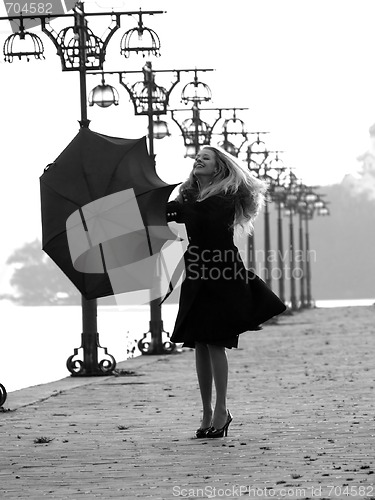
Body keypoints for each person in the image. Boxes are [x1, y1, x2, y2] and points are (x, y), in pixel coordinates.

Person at [166, 146, 286, 438]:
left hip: (222, 271)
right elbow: (170, 215)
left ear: (219, 167)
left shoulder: (225, 197)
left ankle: (221, 410)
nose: (198, 160)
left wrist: (177, 205)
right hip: (196, 272)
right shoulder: (189, 197)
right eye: (197, 158)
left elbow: (201, 214)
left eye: (205, 158)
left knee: (215, 341)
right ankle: (207, 411)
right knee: (200, 343)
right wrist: (157, 205)